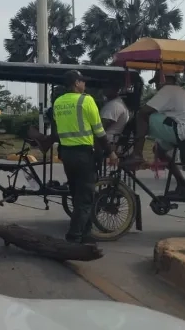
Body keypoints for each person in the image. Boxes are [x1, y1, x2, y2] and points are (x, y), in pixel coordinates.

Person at [27, 70, 118, 245]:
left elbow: (57, 130)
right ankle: (74, 237)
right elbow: (99, 131)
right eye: (82, 81)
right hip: (83, 154)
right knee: (85, 198)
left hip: (66, 154)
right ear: (76, 83)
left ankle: (86, 234)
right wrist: (110, 152)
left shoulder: (58, 102)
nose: (84, 84)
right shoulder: (86, 100)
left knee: (78, 196)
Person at [125, 70, 185, 195]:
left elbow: (145, 111)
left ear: (164, 79)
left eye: (156, 82)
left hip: (182, 130)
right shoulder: (177, 91)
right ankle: (182, 184)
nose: (156, 86)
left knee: (142, 115)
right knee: (159, 151)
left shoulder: (169, 90)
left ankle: (137, 154)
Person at [100, 83, 130, 148]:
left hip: (106, 142)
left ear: (115, 90)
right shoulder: (114, 103)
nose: (104, 89)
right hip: (107, 141)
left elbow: (102, 127)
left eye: (107, 87)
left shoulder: (114, 105)